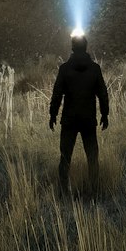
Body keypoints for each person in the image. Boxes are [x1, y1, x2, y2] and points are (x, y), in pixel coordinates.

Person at [49, 32, 109, 195]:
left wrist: (52, 114)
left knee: (65, 157)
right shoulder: (95, 69)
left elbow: (57, 94)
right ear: (86, 47)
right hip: (88, 119)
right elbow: (103, 94)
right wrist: (105, 115)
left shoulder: (64, 69)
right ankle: (94, 191)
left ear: (73, 48)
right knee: (92, 158)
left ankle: (63, 193)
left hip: (69, 120)